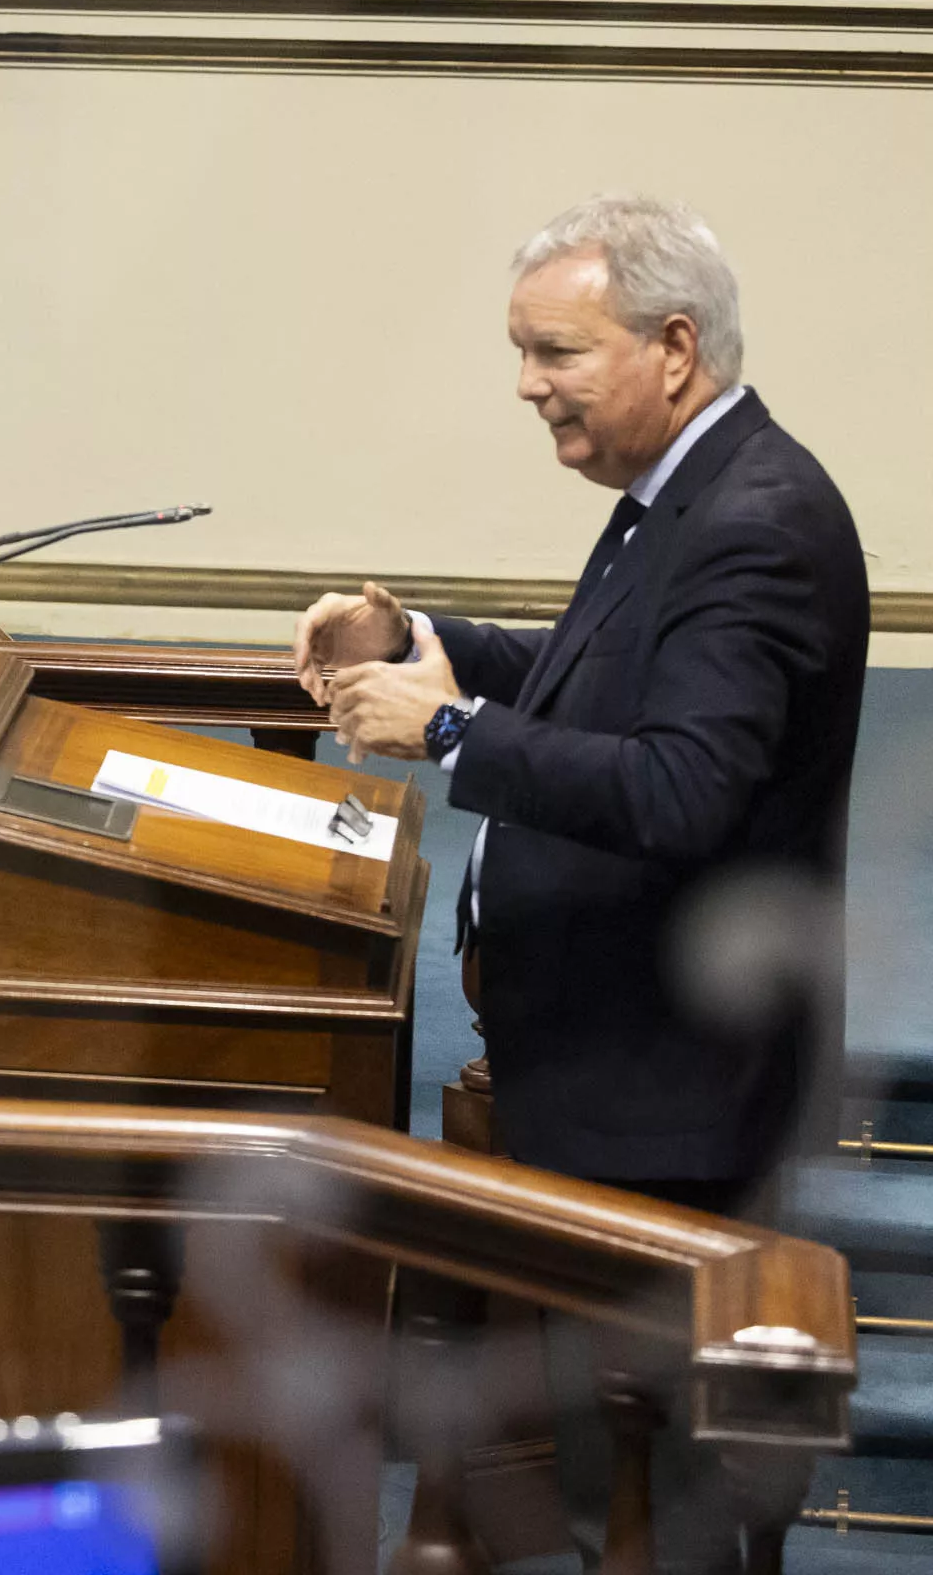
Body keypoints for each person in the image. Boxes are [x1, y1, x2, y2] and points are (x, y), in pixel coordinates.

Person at [295, 194, 865, 1567]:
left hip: (671, 1090)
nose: (526, 383)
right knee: (620, 1466)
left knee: (661, 1488)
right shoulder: (684, 494)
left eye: (555, 351)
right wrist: (415, 637)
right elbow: (589, 678)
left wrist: (446, 730)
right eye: (523, 350)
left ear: (673, 347)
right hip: (616, 1061)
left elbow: (681, 788)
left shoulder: (755, 522)